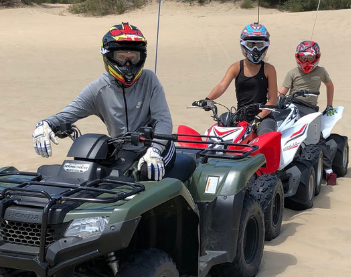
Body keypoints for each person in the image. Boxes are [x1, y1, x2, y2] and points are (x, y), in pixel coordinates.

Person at [33, 22, 177, 181]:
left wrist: (155, 149)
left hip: (155, 145)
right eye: (121, 57)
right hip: (120, 148)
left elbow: (163, 119)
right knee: (87, 171)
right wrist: (45, 124)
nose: (127, 64)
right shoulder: (98, 89)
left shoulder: (150, 80)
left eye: (133, 58)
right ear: (108, 56)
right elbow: (67, 114)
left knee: (147, 171)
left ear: (141, 57)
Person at [196, 22, 278, 135]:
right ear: (243, 45)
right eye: (251, 44)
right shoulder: (236, 67)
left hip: (264, 117)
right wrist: (207, 99)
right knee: (221, 133)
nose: (254, 49)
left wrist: (259, 117)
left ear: (265, 45)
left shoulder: (269, 69)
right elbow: (221, 86)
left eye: (259, 45)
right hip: (240, 116)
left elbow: (273, 99)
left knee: (266, 135)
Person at [278, 40, 338, 185]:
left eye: (310, 58)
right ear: (298, 57)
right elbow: (283, 91)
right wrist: (276, 100)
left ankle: (329, 171)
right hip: (291, 105)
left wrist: (329, 105)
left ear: (316, 57)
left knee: (318, 137)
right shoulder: (292, 72)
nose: (307, 61)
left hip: (310, 109)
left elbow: (329, 86)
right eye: (304, 58)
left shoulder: (321, 71)